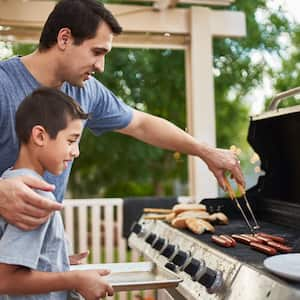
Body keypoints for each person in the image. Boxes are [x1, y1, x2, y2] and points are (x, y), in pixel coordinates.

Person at [0, 0, 244, 228]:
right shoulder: (3, 85)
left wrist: (205, 151)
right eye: (97, 52)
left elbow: (141, 124)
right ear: (64, 39)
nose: (100, 66)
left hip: (35, 256)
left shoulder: (86, 91)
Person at [0, 87, 113, 299]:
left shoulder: (9, 181)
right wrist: (75, 279)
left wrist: (57, 260)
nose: (76, 152)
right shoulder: (35, 196)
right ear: (40, 136)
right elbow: (5, 279)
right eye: (71, 140)